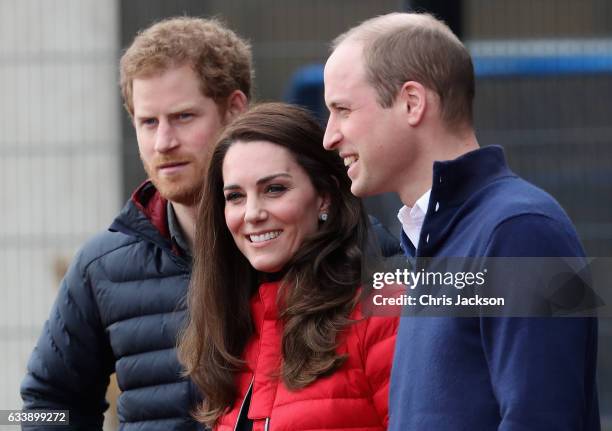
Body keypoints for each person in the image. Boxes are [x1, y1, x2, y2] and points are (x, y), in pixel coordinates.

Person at [323, 12, 599, 430]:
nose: (329, 136)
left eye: (342, 110)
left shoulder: (521, 228)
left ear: (412, 103)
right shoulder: (435, 237)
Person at [20, 17, 252, 430]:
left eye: (183, 117)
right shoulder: (102, 265)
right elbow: (48, 402)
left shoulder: (301, 241)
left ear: (234, 109)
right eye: (149, 122)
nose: (164, 142)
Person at [179, 103, 398, 431]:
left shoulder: (383, 309)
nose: (252, 213)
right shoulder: (232, 327)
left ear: (324, 196)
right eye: (236, 196)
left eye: (274, 189)